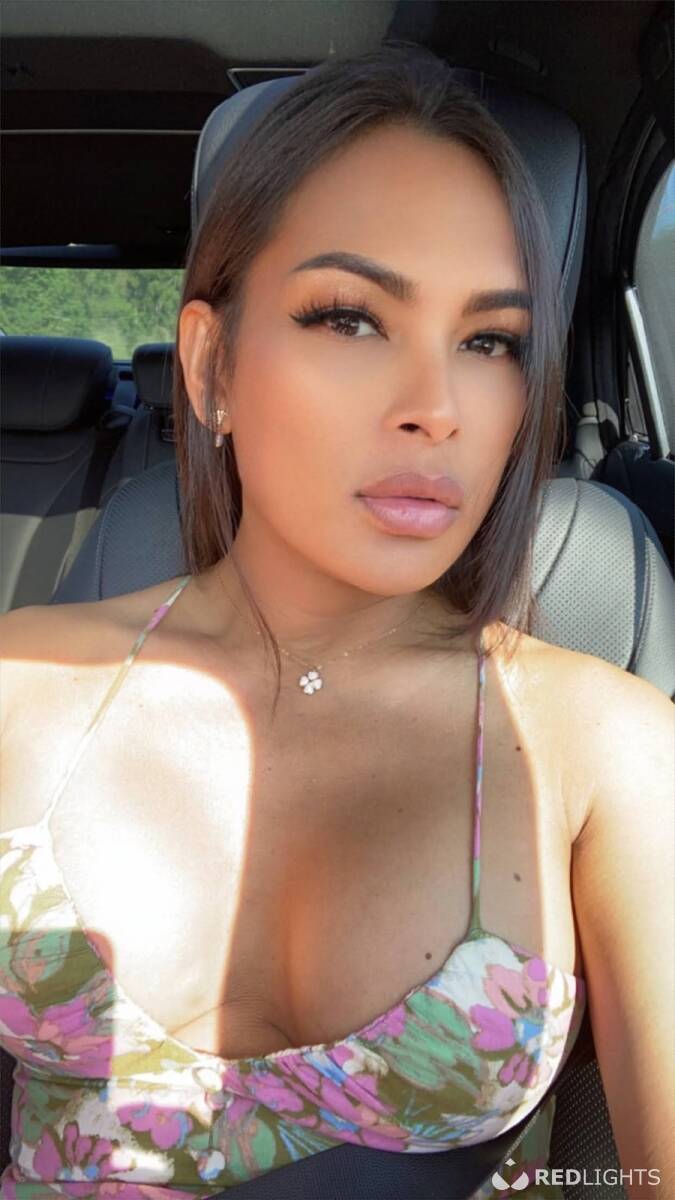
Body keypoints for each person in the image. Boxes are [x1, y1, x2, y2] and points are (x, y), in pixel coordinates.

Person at [0, 43, 672, 1200]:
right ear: (211, 366)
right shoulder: (22, 683)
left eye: (490, 341)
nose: (437, 407)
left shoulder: (606, 746)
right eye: (351, 319)